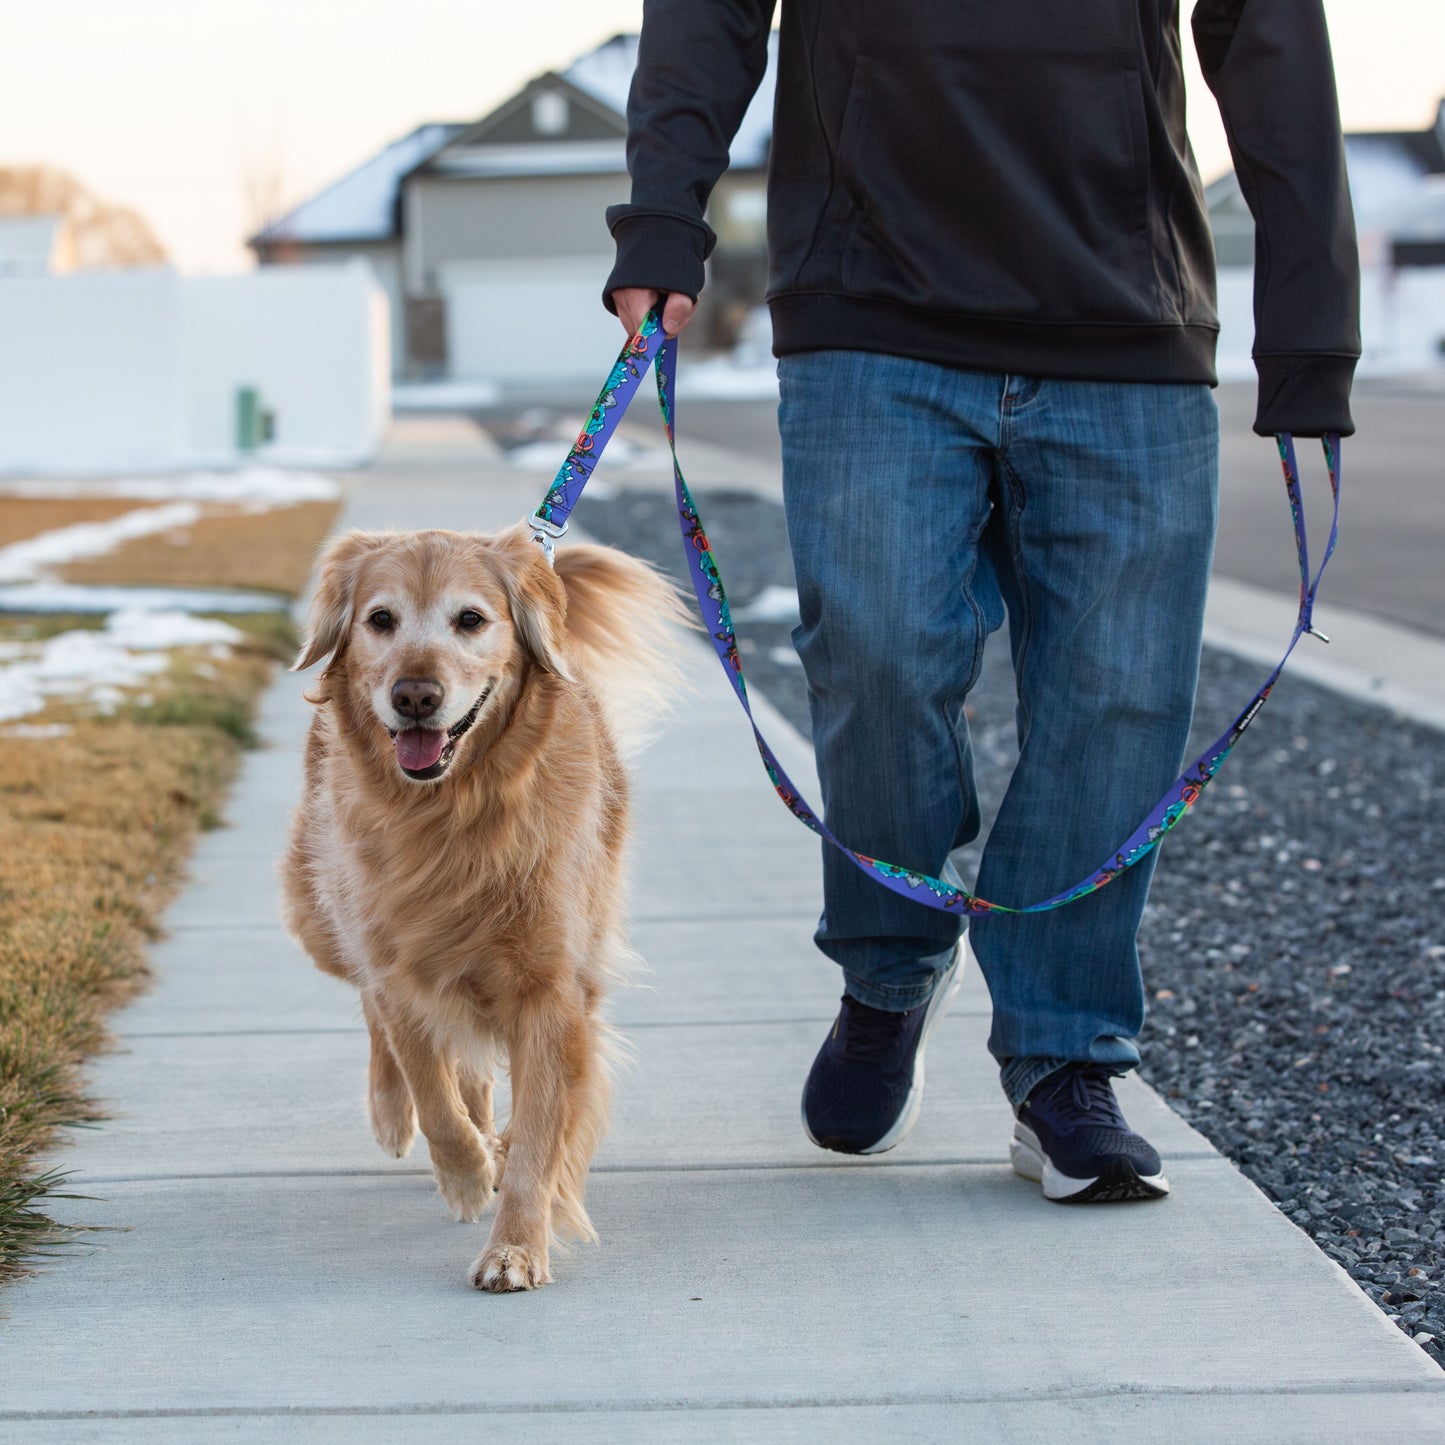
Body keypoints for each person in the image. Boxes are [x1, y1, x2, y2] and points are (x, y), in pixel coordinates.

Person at [605, 1, 1359, 1202]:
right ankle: (890, 967)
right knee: (877, 654)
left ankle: (1063, 1056)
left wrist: (1310, 320)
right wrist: (662, 217)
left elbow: (1267, 32)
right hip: (867, 308)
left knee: (1118, 695)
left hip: (1122, 313)